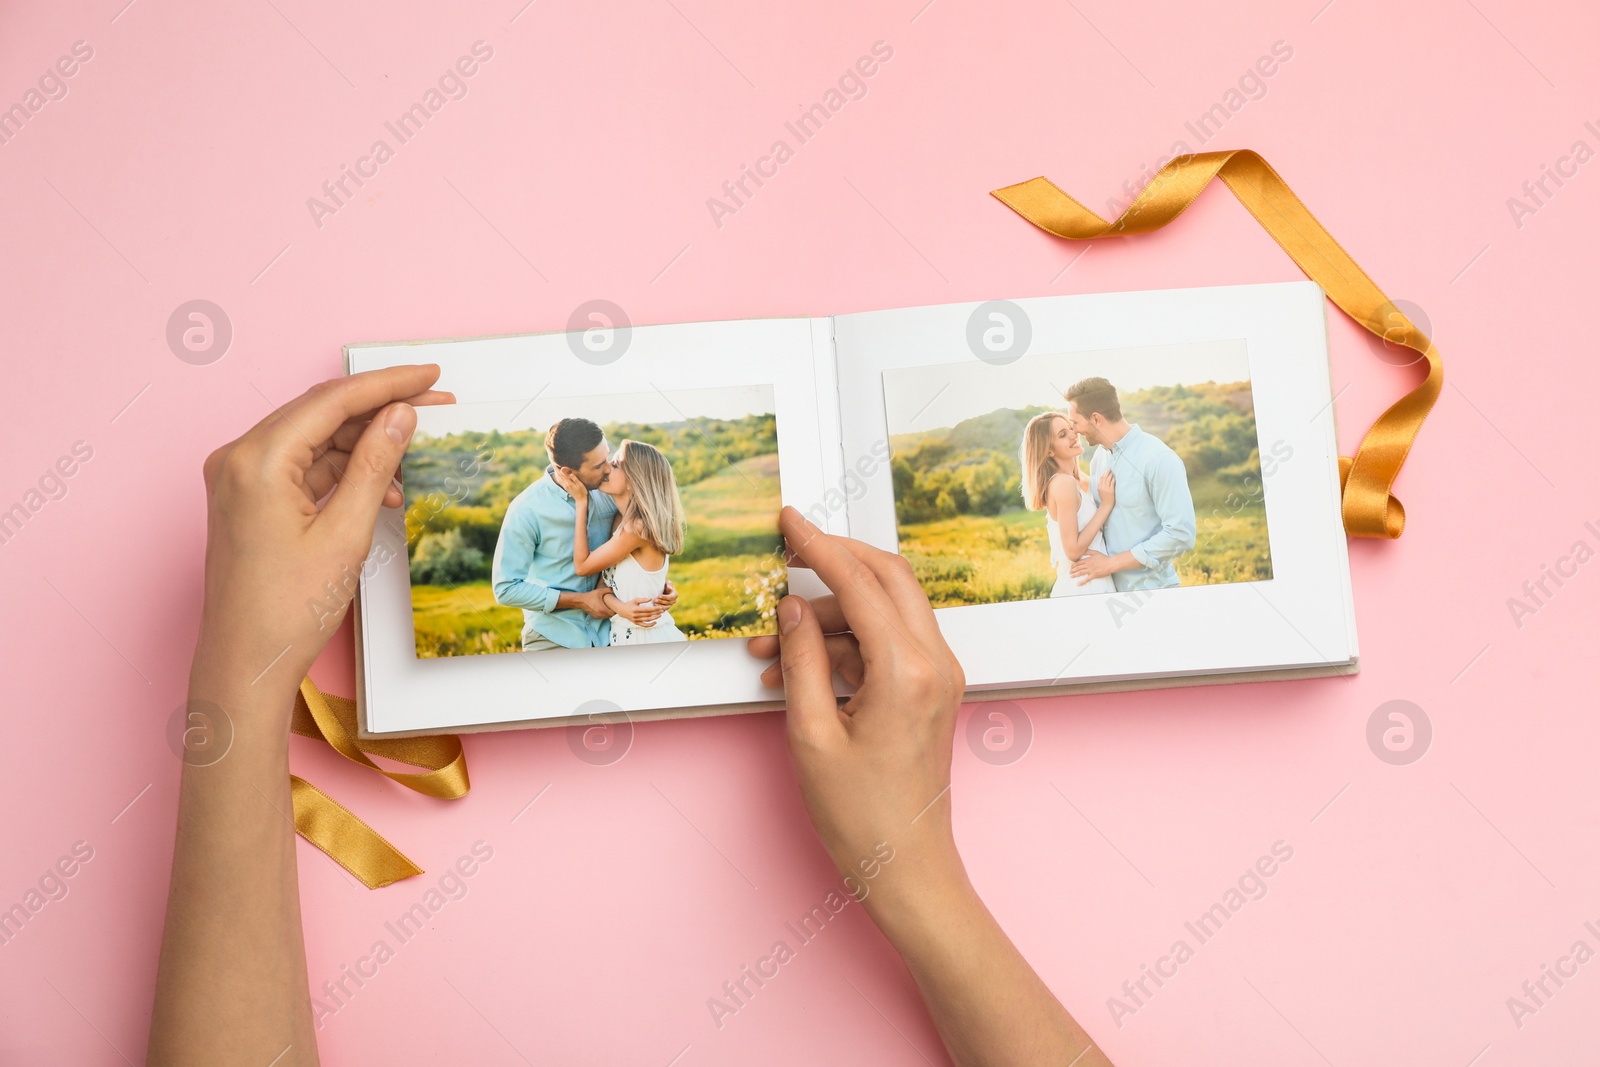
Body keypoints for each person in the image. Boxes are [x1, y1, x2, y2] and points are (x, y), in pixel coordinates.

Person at [147, 366, 1115, 1067]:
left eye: (616, 466)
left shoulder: (614, 521)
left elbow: (600, 569)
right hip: (573, 644)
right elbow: (520, 583)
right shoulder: (563, 513)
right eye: (599, 464)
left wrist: (241, 666)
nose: (610, 472)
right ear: (574, 465)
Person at [490, 416, 674, 649]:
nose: (608, 469)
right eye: (599, 466)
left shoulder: (610, 493)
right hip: (553, 637)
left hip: (613, 634)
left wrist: (658, 586)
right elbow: (506, 589)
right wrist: (580, 601)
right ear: (568, 471)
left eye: (608, 458)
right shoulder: (526, 509)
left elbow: (638, 545)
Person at [1063, 377, 1197, 591]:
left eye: (1075, 422)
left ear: (1096, 419)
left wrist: (1110, 564)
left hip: (1153, 591)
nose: (1074, 431)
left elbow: (1181, 535)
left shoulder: (1159, 458)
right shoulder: (1100, 457)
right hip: (1110, 591)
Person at [554, 438, 688, 645]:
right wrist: (620, 607)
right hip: (623, 636)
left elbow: (582, 566)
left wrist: (582, 502)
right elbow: (605, 585)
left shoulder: (636, 529)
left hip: (647, 638)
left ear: (636, 480)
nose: (606, 469)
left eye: (615, 465)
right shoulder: (621, 521)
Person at [1019, 411, 1117, 596]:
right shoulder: (1063, 483)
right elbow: (1072, 550)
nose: (1073, 435)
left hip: (1092, 580)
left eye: (1071, 429)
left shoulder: (1076, 481)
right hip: (1083, 586)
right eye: (1063, 435)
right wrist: (1105, 506)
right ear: (1048, 450)